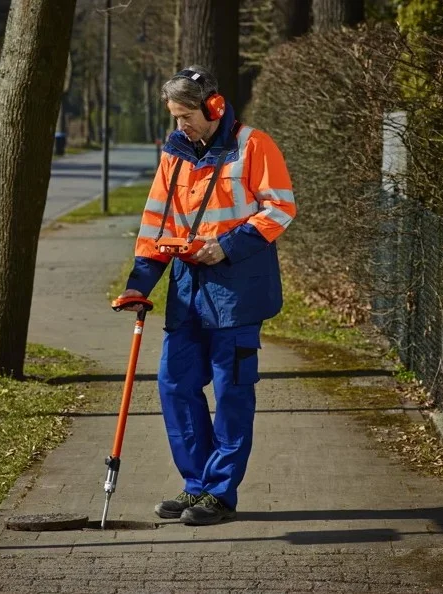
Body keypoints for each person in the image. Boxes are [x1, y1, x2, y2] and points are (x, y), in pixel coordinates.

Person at [117, 65, 296, 526]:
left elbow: (281, 207)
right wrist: (139, 285)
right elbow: (156, 223)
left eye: (186, 115)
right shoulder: (172, 154)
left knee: (232, 393)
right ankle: (196, 485)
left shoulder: (254, 144)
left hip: (237, 295)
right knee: (174, 385)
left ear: (213, 106)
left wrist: (228, 246)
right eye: (175, 117)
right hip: (186, 290)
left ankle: (219, 492)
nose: (181, 125)